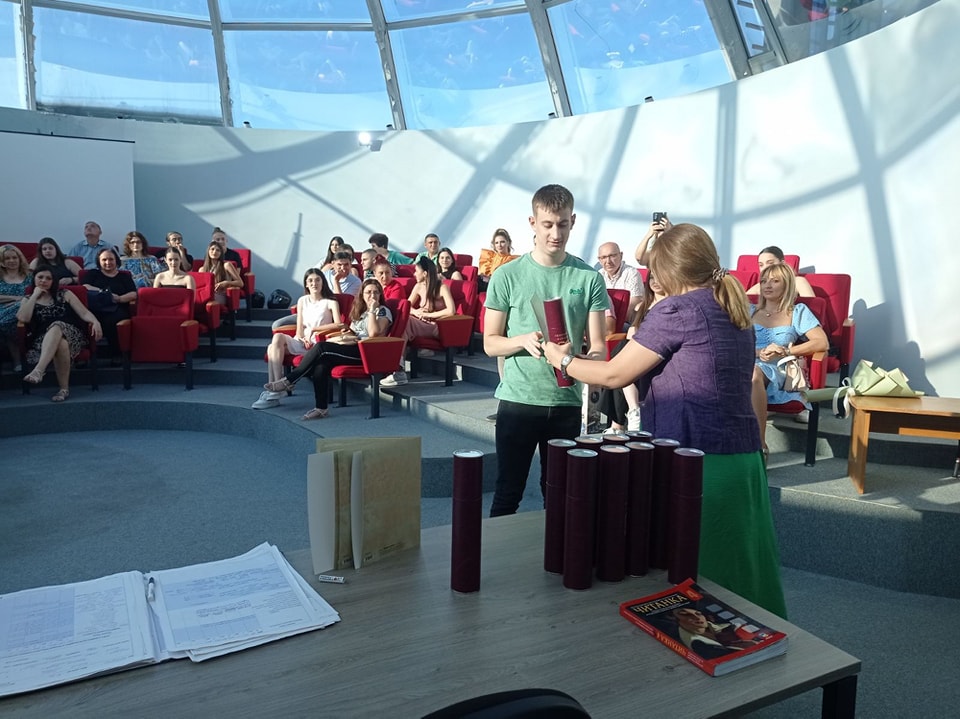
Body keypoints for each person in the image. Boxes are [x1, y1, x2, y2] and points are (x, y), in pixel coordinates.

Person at [543, 223, 787, 618]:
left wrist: (562, 359)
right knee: (746, 571)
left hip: (698, 461)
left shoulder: (677, 310)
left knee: (699, 582)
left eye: (655, 270)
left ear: (670, 270)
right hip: (742, 461)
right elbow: (746, 378)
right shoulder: (734, 308)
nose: (652, 279)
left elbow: (613, 375)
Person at [484, 184, 608, 517]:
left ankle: (556, 552)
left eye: (563, 224)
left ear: (573, 221)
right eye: (548, 224)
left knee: (560, 496)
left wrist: (574, 360)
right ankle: (498, 553)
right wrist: (521, 340)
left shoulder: (589, 278)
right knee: (508, 493)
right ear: (533, 222)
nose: (556, 233)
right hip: (519, 401)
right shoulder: (507, 275)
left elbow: (599, 348)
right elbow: (489, 342)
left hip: (566, 402)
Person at [263, 279, 392, 420]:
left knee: (321, 347)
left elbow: (373, 333)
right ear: (362, 295)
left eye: (375, 292)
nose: (372, 296)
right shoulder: (361, 312)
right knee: (321, 363)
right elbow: (354, 333)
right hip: (353, 346)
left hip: (367, 352)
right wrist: (345, 335)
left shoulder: (382, 311)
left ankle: (289, 380)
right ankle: (321, 408)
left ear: (380, 294)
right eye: (368, 292)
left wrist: (372, 310)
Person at [752, 263, 828, 453]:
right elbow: (730, 341)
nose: (767, 285)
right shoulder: (748, 310)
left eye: (775, 281)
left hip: (778, 368)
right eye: (764, 281)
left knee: (753, 374)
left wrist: (786, 351)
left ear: (786, 285)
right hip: (747, 361)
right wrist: (758, 352)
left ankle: (759, 445)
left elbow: (822, 343)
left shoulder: (797, 311)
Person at [253, 269, 342, 410]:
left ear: (323, 282)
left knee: (271, 348)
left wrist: (314, 330)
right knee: (276, 338)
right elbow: (299, 328)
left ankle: (275, 390)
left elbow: (339, 325)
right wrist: (302, 337)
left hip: (317, 344)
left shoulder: (330, 302)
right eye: (310, 281)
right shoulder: (302, 301)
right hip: (301, 341)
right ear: (306, 284)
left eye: (317, 280)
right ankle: (277, 387)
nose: (314, 283)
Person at [18, 265, 103, 402]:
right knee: (61, 344)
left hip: (73, 335)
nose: (44, 281)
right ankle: (64, 389)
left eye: (48, 278)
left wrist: (95, 321)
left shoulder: (65, 294)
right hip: (43, 339)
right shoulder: (28, 299)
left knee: (57, 325)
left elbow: (84, 312)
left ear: (53, 281)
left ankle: (39, 370)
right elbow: (23, 318)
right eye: (40, 277)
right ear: (34, 279)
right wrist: (34, 296)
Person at [599, 273, 665, 434]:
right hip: (640, 350)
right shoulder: (642, 306)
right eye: (652, 278)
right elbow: (633, 330)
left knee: (620, 356)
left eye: (660, 277)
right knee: (622, 356)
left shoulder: (671, 306)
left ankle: (621, 421)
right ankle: (633, 411)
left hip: (657, 352)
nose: (655, 282)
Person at [82, 247, 137, 363]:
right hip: (96, 306)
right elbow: (85, 287)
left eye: (111, 259)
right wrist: (105, 293)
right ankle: (84, 355)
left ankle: (116, 353)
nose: (108, 262)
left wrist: (119, 298)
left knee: (111, 320)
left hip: (118, 307)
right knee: (83, 318)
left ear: (116, 260)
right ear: (99, 261)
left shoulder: (124, 276)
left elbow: (133, 294)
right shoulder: (93, 274)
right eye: (104, 260)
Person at [403, 255, 455, 349]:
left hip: (435, 324)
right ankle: (400, 354)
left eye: (416, 271)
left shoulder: (442, 288)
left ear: (425, 274)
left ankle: (400, 355)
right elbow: (406, 306)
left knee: (406, 322)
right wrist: (416, 312)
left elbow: (451, 311)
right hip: (421, 320)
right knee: (402, 320)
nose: (414, 274)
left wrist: (428, 315)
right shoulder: (418, 286)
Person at [597, 241, 643, 326]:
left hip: (627, 323)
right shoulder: (598, 275)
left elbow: (632, 307)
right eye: (604, 257)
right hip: (604, 322)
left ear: (621, 256)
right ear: (599, 260)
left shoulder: (631, 273)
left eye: (612, 256)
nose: (608, 261)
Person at [1, 244, 32, 368]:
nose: (12, 261)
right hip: (3, 310)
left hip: (24, 310)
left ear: (20, 259)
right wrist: (16, 298)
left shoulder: (29, 276)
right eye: (7, 258)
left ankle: (18, 362)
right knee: (9, 323)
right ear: (2, 262)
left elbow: (33, 296)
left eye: (14, 257)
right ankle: (20, 360)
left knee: (11, 321)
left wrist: (21, 301)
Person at [746, 246, 815, 297]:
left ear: (782, 263)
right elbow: (742, 303)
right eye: (761, 265)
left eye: (770, 263)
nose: (765, 268)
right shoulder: (760, 286)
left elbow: (812, 306)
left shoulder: (797, 282)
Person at [201, 241, 243, 305]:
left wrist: (227, 283)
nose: (214, 252)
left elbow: (240, 283)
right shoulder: (202, 269)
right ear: (208, 251)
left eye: (218, 250)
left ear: (221, 254)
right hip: (207, 294)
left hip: (220, 295)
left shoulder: (226, 265)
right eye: (212, 249)